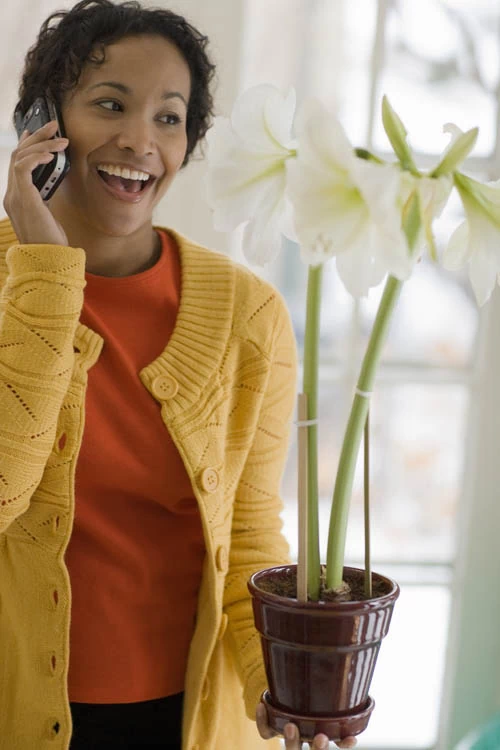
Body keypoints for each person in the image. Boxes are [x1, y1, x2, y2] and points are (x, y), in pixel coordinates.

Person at [0, 1, 357, 748]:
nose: (140, 140)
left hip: (189, 721)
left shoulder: (247, 314)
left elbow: (250, 533)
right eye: (109, 105)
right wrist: (42, 280)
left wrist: (278, 685)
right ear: (42, 121)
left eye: (170, 117)